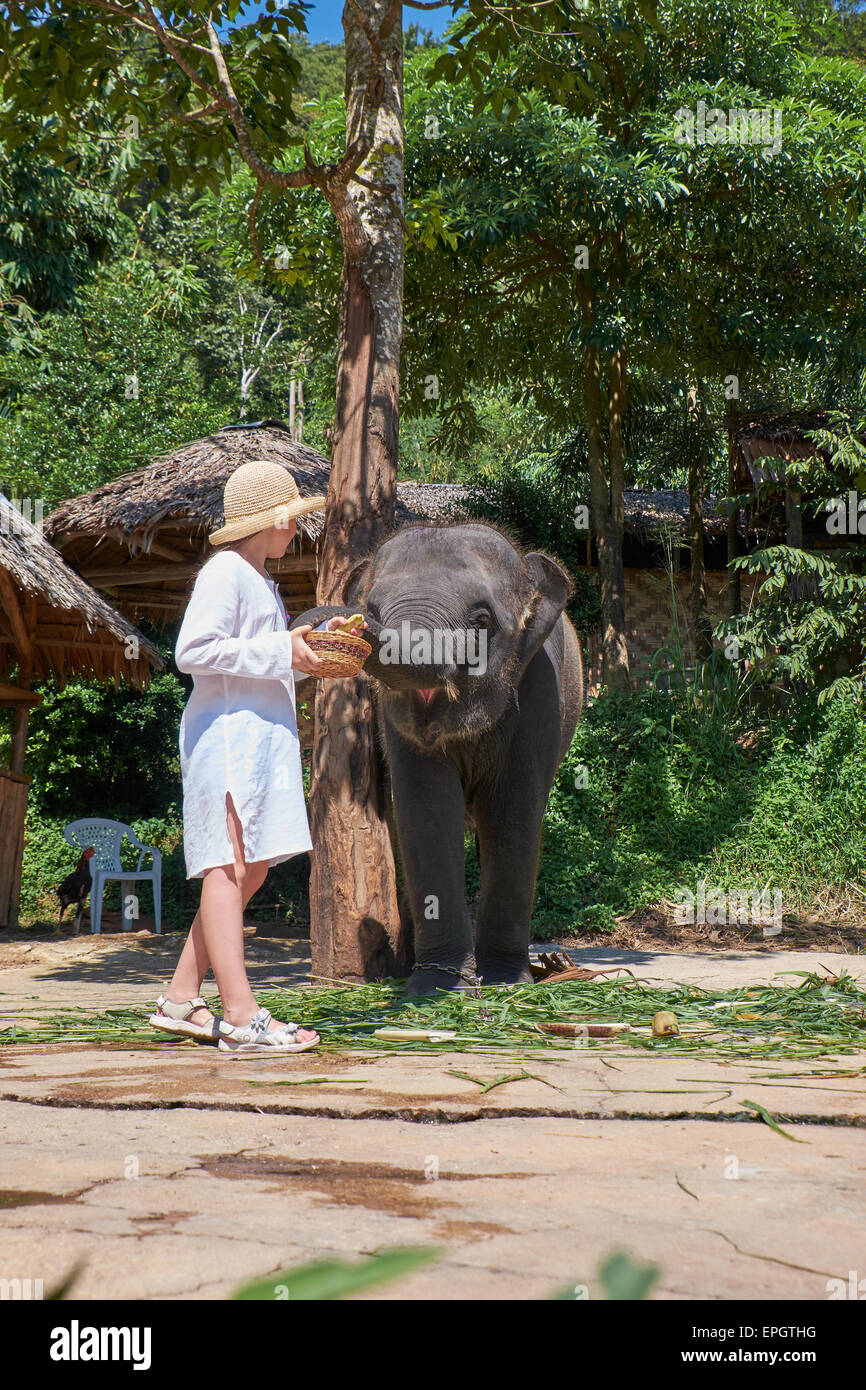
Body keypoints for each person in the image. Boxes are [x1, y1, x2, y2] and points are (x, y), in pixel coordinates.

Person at [149, 458, 350, 1054]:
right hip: (228, 743)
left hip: (256, 742)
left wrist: (303, 651)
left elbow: (257, 653)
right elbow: (194, 649)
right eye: (295, 519)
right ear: (275, 519)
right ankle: (240, 1015)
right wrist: (280, 650)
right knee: (227, 867)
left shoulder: (257, 578)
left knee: (251, 869)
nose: (299, 530)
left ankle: (182, 998)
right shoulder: (226, 571)